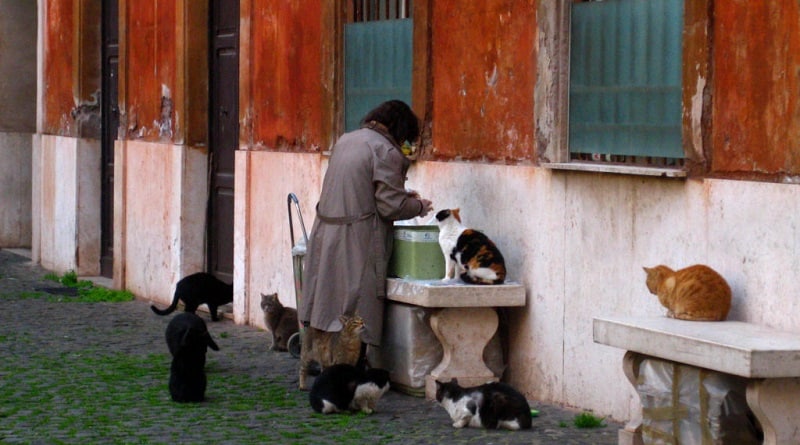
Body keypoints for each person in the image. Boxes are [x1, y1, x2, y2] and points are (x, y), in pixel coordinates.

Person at [299, 100, 433, 349]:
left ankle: (323, 359)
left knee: (328, 299)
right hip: (358, 236)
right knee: (357, 302)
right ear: (401, 129)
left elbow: (362, 187)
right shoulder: (385, 150)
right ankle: (351, 367)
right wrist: (419, 206)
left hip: (327, 231)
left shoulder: (347, 139)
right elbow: (390, 206)